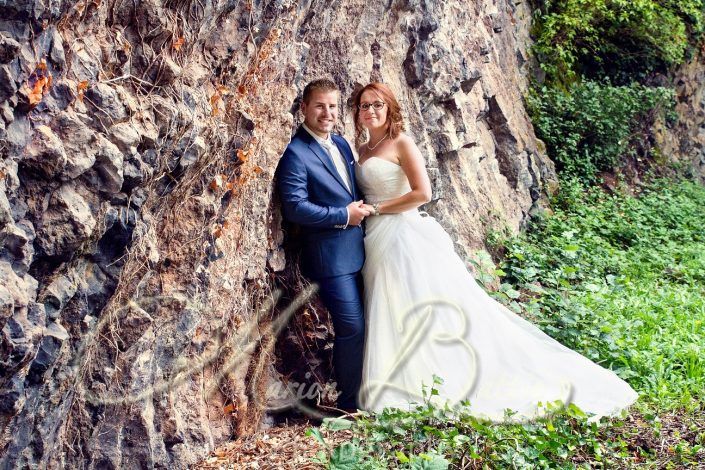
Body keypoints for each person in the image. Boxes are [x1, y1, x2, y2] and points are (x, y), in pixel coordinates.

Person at [352, 82, 638, 421]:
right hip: (375, 235)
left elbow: (423, 193)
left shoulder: (402, 143)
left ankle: (431, 378)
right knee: (388, 305)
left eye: (377, 105)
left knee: (416, 305)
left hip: (402, 234)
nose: (370, 110)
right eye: (364, 105)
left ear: (390, 110)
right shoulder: (364, 148)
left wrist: (379, 208)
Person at [275, 79, 370, 412]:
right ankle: (348, 404)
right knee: (351, 326)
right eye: (319, 105)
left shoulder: (342, 144)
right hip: (329, 259)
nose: (326, 113)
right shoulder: (295, 153)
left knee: (372, 322)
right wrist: (343, 215)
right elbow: (295, 207)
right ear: (303, 108)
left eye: (332, 106)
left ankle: (369, 393)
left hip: (362, 251)